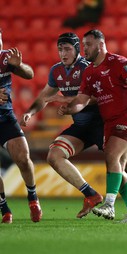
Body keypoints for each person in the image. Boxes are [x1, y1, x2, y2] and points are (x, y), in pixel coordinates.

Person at [20, 32, 127, 222]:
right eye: (60, 50)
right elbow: (52, 98)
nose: (63, 54)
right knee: (55, 155)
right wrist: (32, 112)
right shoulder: (57, 71)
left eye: (67, 49)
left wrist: (65, 100)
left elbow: (98, 97)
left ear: (78, 50)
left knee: (122, 167)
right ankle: (92, 195)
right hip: (81, 127)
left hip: (102, 123)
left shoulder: (88, 66)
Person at [57, 29, 127, 223]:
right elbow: (82, 100)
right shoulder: (89, 72)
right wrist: (70, 109)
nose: (84, 49)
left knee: (112, 155)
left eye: (88, 45)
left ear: (100, 45)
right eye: (83, 46)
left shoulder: (118, 63)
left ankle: (109, 204)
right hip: (109, 122)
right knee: (118, 165)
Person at [0, 29, 42, 224]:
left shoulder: (5, 59)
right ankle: (4, 208)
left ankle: (33, 198)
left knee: (23, 159)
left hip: (5, 118)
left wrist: (20, 66)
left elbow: (30, 74)